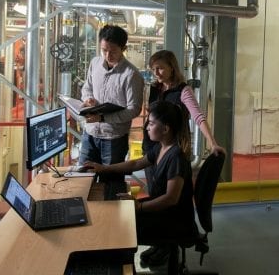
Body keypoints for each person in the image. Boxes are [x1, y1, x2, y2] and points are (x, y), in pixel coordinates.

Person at [83, 100, 197, 267]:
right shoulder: (161, 147)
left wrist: (139, 207)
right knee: (120, 212)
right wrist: (103, 169)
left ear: (165, 129)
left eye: (151, 123)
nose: (147, 127)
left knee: (121, 225)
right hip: (163, 212)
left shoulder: (176, 157)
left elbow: (171, 199)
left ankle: (122, 267)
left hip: (174, 221)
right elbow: (136, 164)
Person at [79, 24, 144, 199]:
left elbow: (133, 110)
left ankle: (111, 224)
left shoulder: (131, 75)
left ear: (123, 49)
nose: (108, 55)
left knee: (112, 187)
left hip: (114, 139)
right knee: (82, 179)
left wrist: (102, 117)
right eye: (104, 50)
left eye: (113, 51)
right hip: (90, 135)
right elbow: (87, 87)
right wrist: (88, 99)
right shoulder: (95, 63)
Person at [145, 50, 226, 159]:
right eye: (153, 69)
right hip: (152, 145)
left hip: (175, 147)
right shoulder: (155, 88)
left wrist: (212, 143)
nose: (156, 73)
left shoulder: (183, 90)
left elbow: (198, 116)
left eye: (160, 68)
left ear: (172, 67)